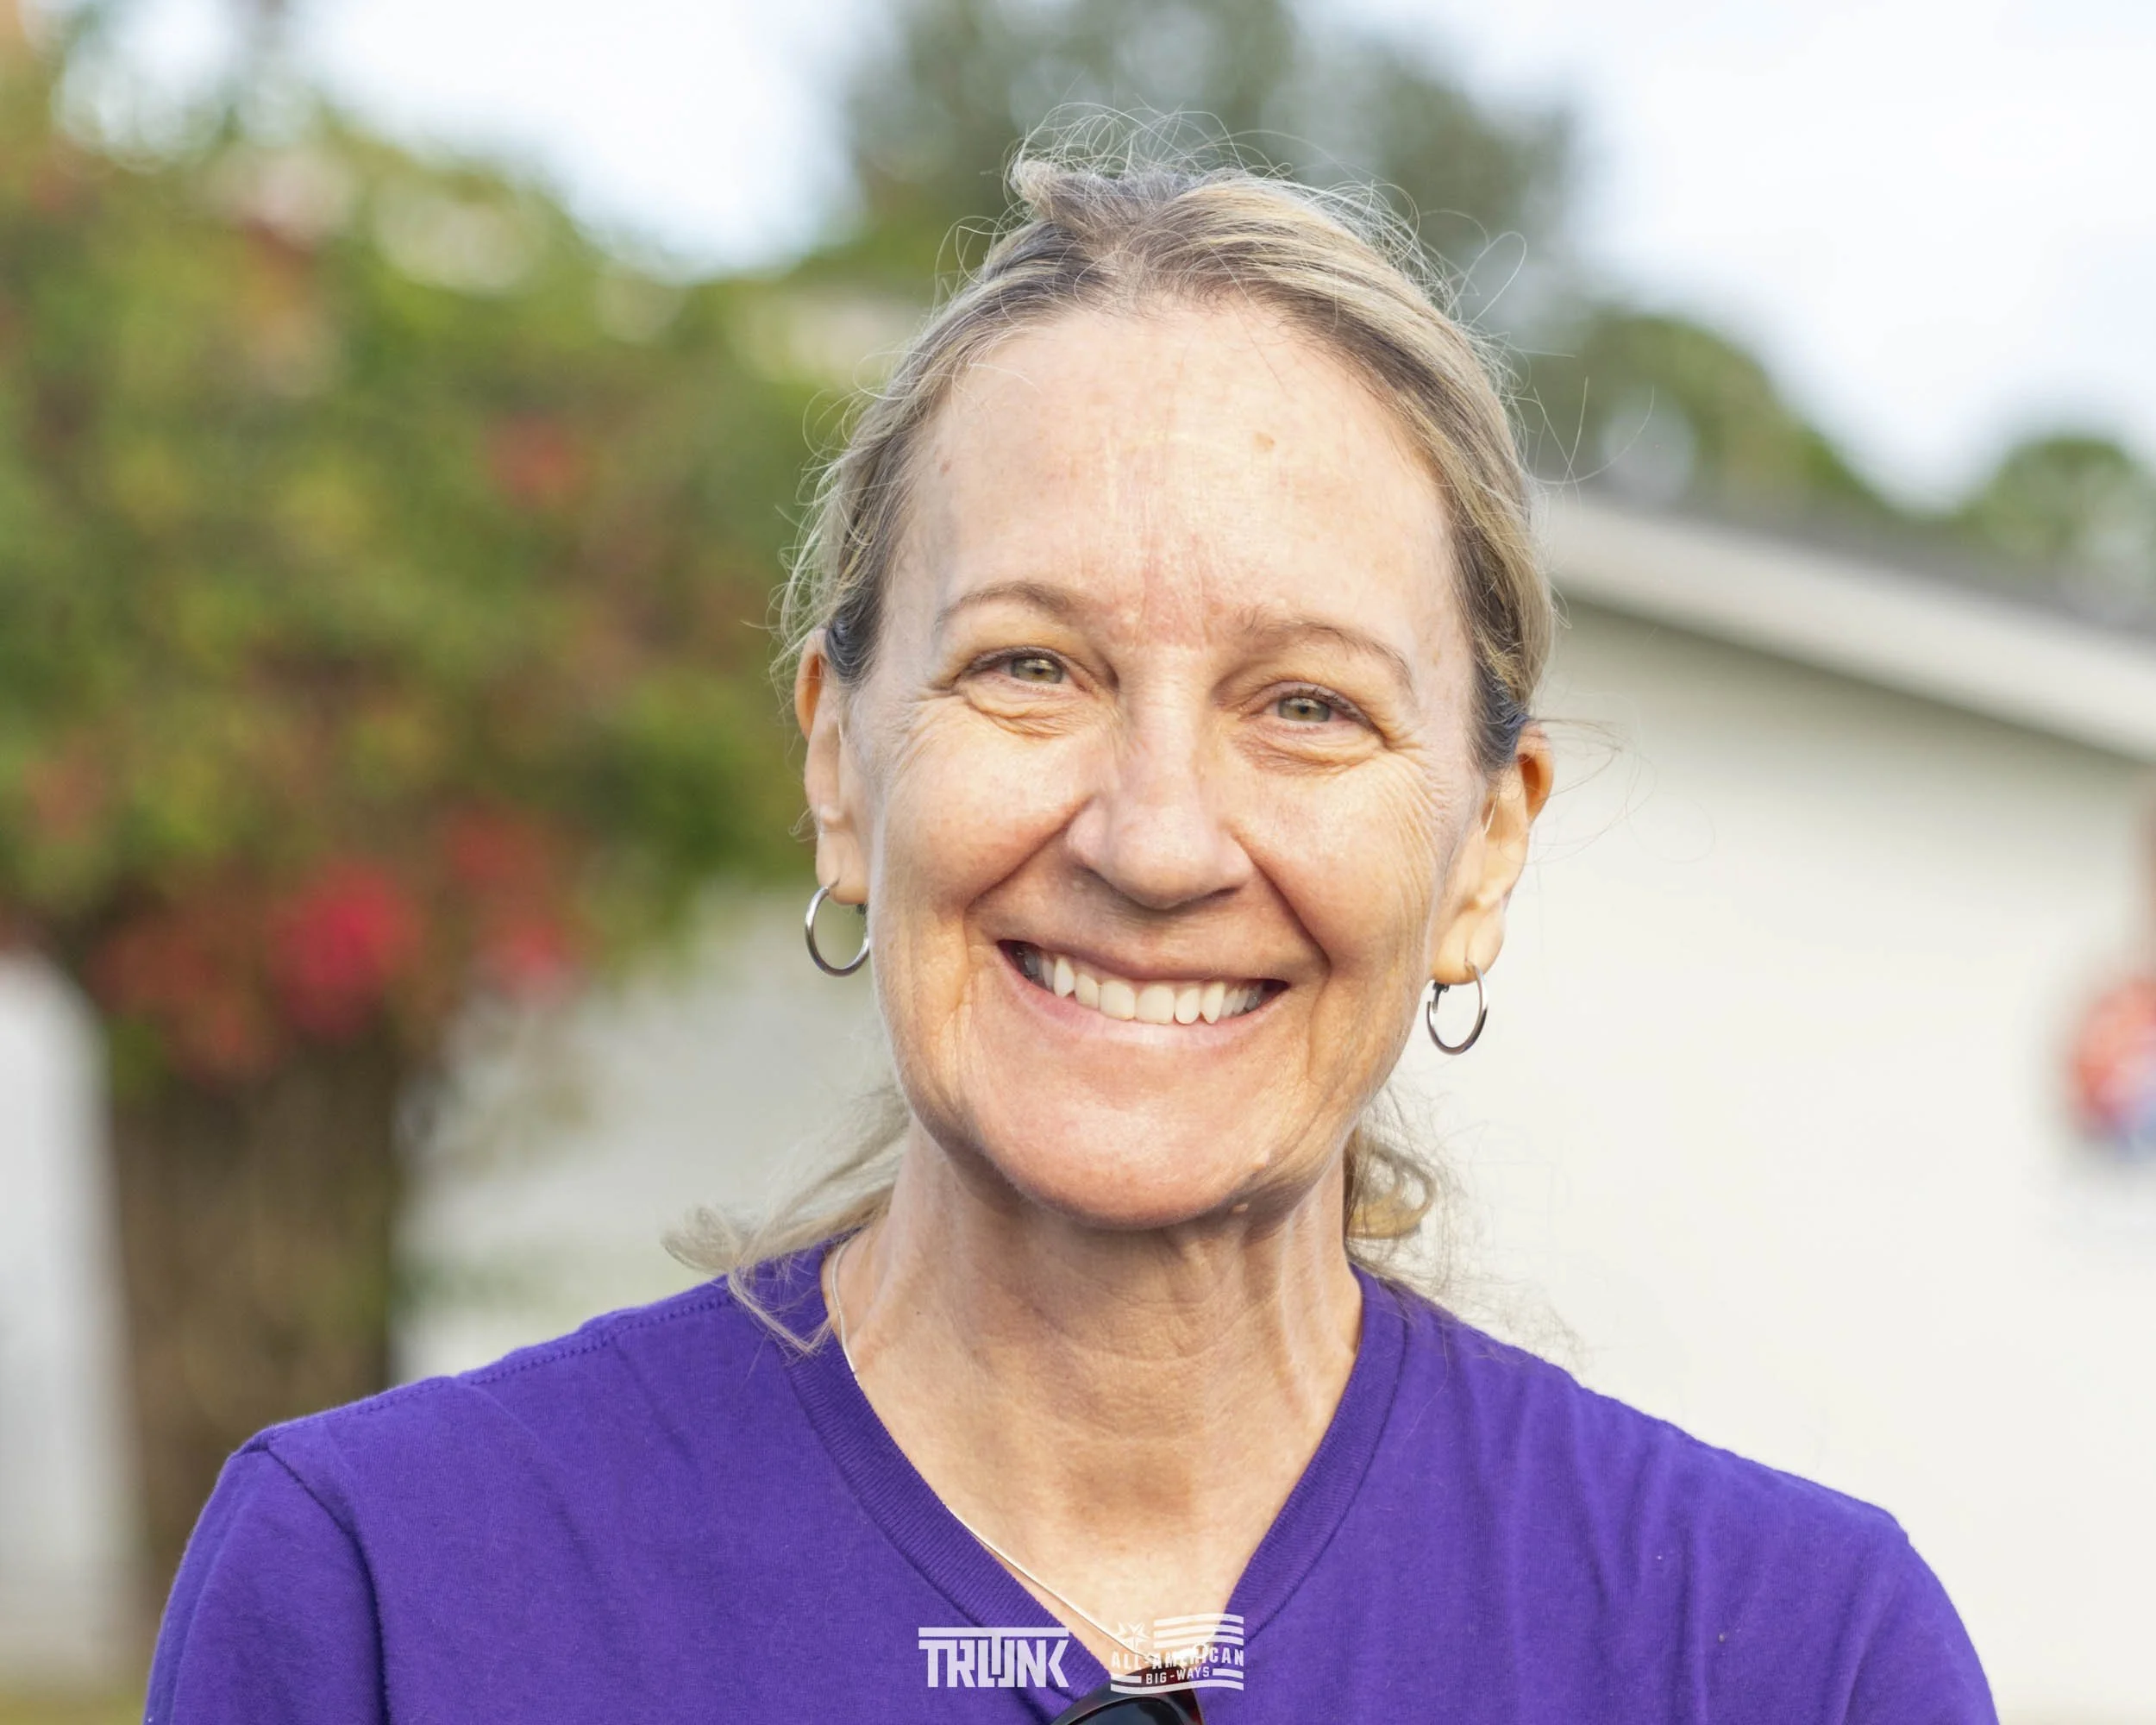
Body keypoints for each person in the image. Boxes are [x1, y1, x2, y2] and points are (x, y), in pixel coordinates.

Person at [146, 152, 1997, 1724]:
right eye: (1031, 667)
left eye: (1307, 706)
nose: (1154, 835)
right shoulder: (388, 1598)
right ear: (840, 764)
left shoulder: (1783, 1659)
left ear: (1480, 853)